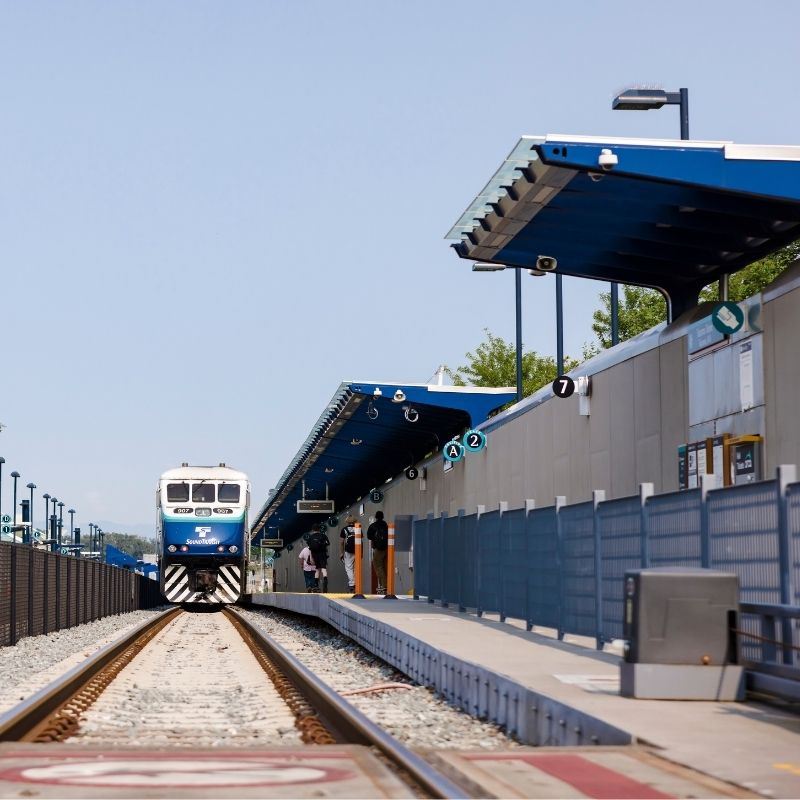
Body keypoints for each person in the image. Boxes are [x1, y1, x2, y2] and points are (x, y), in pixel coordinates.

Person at [366, 510, 389, 594]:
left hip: (378, 549)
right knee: (384, 566)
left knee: (378, 566)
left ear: (375, 517)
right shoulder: (385, 525)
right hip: (387, 548)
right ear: (382, 516)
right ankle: (384, 585)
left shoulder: (373, 526)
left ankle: (384, 586)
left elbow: (369, 536)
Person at [307, 523, 330, 593]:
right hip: (322, 554)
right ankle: (325, 581)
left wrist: (311, 557)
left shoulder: (310, 537)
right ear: (319, 529)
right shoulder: (323, 535)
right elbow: (328, 543)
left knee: (317, 569)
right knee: (323, 568)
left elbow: (310, 548)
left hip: (314, 554)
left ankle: (316, 585)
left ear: (313, 529)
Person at [339, 515, 357, 592]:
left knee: (349, 568)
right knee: (356, 568)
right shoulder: (358, 528)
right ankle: (356, 582)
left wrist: (341, 553)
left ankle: (352, 584)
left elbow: (342, 542)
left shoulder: (344, 529)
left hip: (348, 550)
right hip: (358, 550)